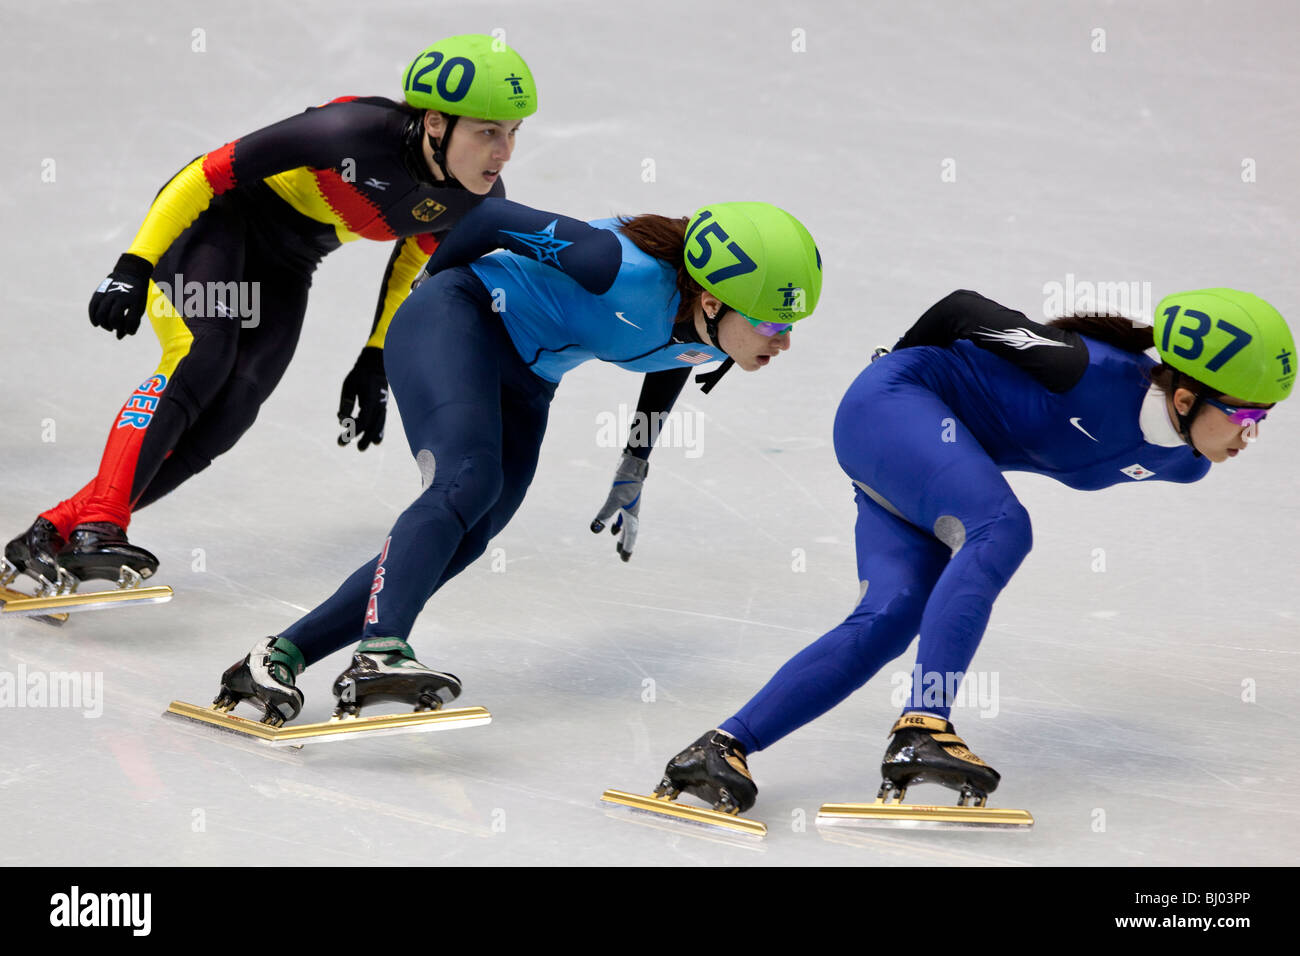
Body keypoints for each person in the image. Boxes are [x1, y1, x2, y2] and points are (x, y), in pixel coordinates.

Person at [651, 287, 1294, 815]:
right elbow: (961, 309)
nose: (1251, 434)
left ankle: (722, 746)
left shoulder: (1185, 463)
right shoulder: (1079, 366)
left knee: (892, 615)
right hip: (896, 408)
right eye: (1244, 417)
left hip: (923, 464)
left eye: (1264, 418)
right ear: (1185, 397)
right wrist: (890, 370)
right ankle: (924, 727)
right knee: (1002, 527)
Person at [210, 198, 824, 725]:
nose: (784, 340)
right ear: (713, 301)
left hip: (528, 375)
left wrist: (634, 463)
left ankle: (276, 658)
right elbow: (490, 216)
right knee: (465, 482)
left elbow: (676, 359)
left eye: (793, 323)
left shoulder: (707, 325)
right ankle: (380, 652)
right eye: (773, 321)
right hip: (457, 318)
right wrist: (430, 295)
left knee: (472, 533)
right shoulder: (613, 267)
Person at [2, 35, 537, 592]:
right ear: (434, 123)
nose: (503, 152)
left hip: (288, 263)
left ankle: (55, 531)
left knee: (234, 406)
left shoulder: (475, 200)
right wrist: (134, 263)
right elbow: (204, 174)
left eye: (513, 133)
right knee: (202, 355)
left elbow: (413, 262)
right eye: (487, 132)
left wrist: (376, 355)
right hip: (219, 223)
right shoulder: (348, 132)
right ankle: (102, 522)